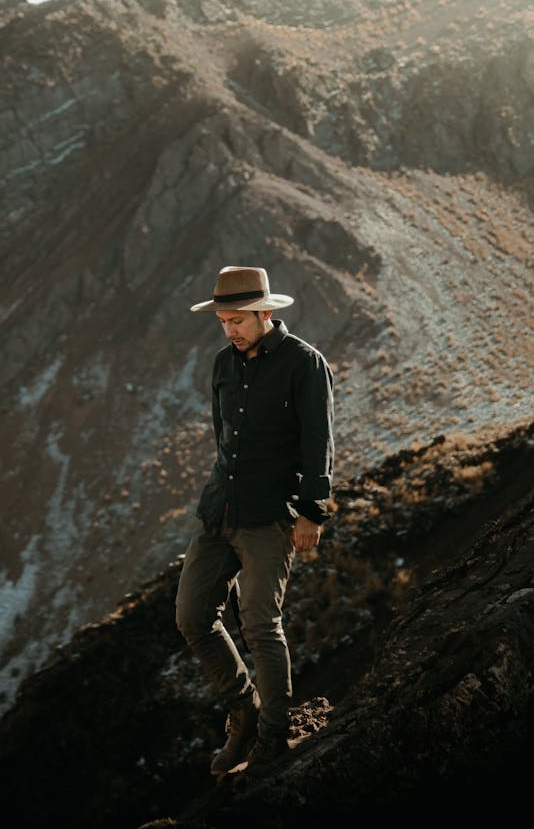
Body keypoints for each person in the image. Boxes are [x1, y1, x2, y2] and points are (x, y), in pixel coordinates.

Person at [175, 265, 334, 777]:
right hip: (218, 509)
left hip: (271, 516)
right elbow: (225, 437)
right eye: (223, 320)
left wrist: (312, 511)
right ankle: (243, 712)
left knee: (261, 625)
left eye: (238, 320)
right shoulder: (222, 364)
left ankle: (273, 737)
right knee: (192, 615)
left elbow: (318, 443)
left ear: (266, 312)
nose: (230, 330)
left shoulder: (304, 364)